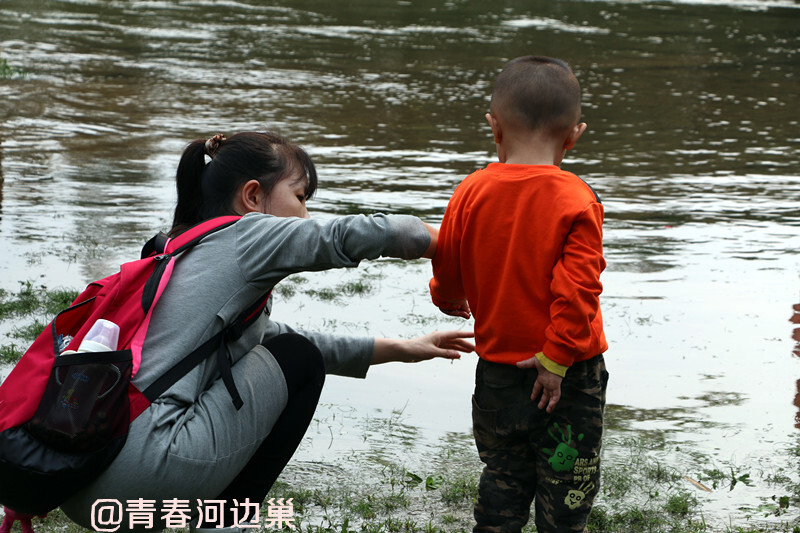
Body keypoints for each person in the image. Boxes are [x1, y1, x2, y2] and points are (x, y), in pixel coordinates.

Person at [59, 131, 475, 532]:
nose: (306, 215)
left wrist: (402, 348)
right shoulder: (243, 233)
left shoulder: (174, 247)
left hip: (82, 477)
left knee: (289, 352)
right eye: (299, 198)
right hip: (146, 476)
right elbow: (348, 236)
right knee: (299, 359)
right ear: (253, 197)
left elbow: (270, 338)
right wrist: (452, 246)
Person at [429, 56, 609, 533]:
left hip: (498, 369)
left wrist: (449, 297)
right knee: (568, 487)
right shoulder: (577, 198)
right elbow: (579, 288)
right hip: (570, 374)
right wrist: (556, 358)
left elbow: (447, 260)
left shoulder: (469, 191)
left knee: (503, 477)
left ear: (494, 128)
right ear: (573, 135)